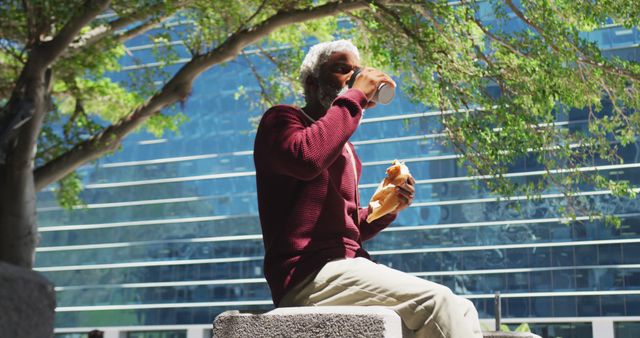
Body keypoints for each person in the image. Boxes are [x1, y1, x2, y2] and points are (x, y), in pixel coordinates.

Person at [253, 40, 482, 338]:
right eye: (341, 69)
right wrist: (355, 96)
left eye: (356, 70)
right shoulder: (282, 119)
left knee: (463, 309)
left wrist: (388, 206)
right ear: (312, 82)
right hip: (307, 274)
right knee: (438, 303)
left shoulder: (346, 149)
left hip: (344, 266)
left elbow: (349, 228)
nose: (352, 76)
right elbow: (307, 158)